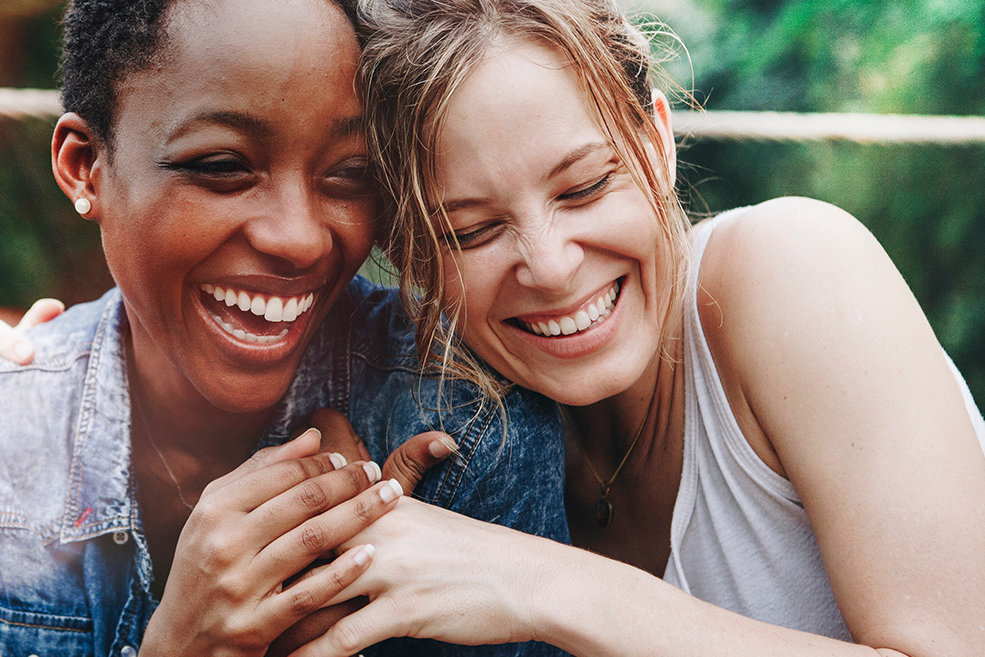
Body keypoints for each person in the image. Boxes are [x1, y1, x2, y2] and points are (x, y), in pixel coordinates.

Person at [274, 0, 985, 655]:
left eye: (584, 186)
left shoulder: (794, 269)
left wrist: (540, 583)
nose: (550, 267)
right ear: (411, 259)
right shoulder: (464, 437)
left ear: (656, 140)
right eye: (473, 230)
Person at [0, 0, 570, 655]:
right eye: (223, 167)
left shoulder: (470, 423)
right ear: (86, 167)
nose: (299, 238)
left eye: (349, 173)